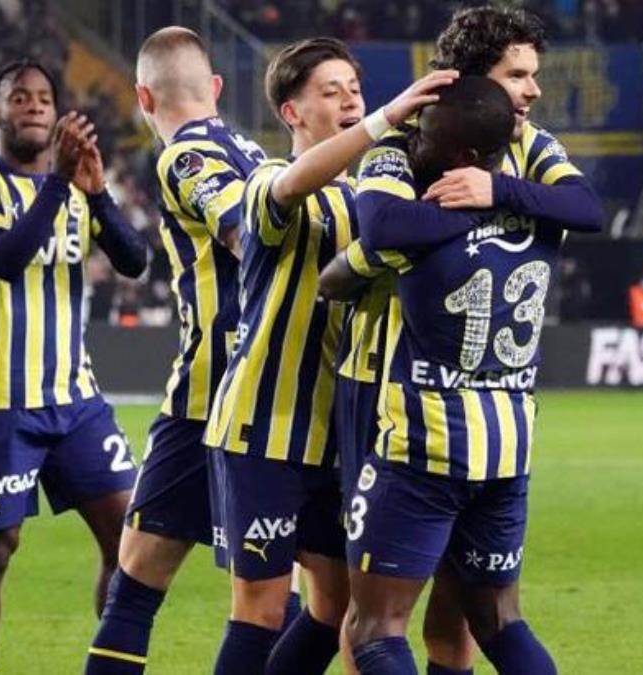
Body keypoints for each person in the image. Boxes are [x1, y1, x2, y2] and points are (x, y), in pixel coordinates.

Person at [330, 7, 603, 673]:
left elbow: (588, 208)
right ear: (470, 80)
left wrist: (492, 191)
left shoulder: (528, 144)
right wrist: (505, 207)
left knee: (395, 623)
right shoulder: (405, 143)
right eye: (518, 75)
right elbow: (381, 228)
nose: (533, 89)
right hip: (400, 392)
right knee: (427, 613)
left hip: (427, 416)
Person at [200, 39, 453, 675]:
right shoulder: (267, 183)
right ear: (291, 113)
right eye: (330, 91)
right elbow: (293, 183)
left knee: (336, 606)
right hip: (264, 426)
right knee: (261, 608)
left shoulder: (375, 199)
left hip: (341, 434)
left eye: (355, 90)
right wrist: (387, 117)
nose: (349, 101)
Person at [0, 60, 149, 675]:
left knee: (128, 542)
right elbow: (5, 259)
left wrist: (99, 192)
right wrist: (59, 183)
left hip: (77, 400)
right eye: (19, 98)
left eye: (44, 98)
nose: (34, 105)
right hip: (0, 401)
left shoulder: (77, 190)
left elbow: (135, 262)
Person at [85, 27, 272, 675]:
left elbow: (248, 235)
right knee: (279, 589)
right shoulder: (257, 152)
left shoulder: (185, 154)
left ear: (143, 97)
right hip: (273, 394)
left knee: (140, 586)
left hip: (212, 393)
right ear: (215, 86)